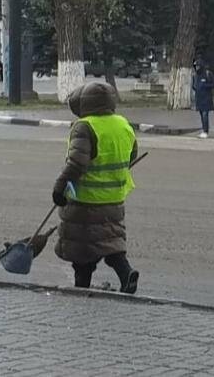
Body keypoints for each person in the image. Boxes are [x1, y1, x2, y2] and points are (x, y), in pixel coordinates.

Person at [52, 82, 140, 294]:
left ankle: (81, 287)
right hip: (115, 197)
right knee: (110, 240)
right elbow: (132, 154)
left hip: (86, 198)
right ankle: (126, 274)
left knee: (82, 247)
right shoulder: (122, 123)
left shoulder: (84, 126)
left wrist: (60, 186)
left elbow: (76, 163)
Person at [191, 59, 214, 139]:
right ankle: (203, 130)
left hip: (206, 98)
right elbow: (194, 86)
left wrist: (205, 86)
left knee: (205, 114)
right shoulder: (195, 76)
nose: (197, 68)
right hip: (199, 98)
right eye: (196, 66)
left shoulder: (208, 74)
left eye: (198, 66)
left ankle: (205, 131)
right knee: (201, 115)